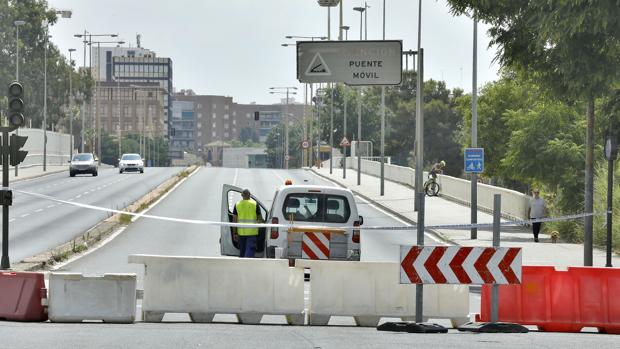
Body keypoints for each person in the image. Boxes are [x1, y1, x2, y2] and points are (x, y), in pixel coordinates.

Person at [232, 189, 263, 257]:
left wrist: (234, 233)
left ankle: (242, 266)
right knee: (249, 253)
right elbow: (260, 219)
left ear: (242, 195)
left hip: (241, 234)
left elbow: (234, 221)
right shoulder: (255, 204)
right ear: (250, 195)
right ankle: (248, 266)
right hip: (252, 234)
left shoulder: (237, 205)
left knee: (242, 253)